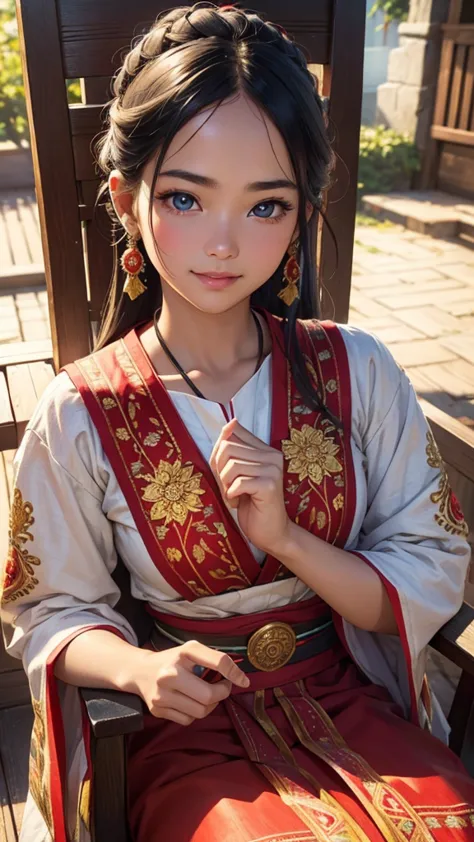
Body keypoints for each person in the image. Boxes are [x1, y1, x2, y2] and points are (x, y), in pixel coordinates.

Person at [2, 4, 473, 842]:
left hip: (347, 696)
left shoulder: (356, 371)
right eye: (185, 197)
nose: (223, 244)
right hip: (185, 731)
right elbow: (50, 610)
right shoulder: (81, 411)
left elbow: (430, 566)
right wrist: (141, 668)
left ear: (299, 215)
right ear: (127, 196)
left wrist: (292, 540)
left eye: (265, 207)